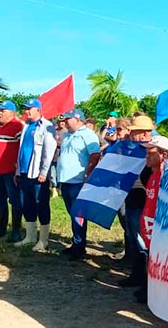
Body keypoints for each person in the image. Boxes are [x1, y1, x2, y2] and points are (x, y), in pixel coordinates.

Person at [57, 109, 102, 260]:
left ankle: (80, 246)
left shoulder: (87, 134)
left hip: (78, 182)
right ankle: (76, 242)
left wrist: (88, 172)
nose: (65, 121)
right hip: (66, 180)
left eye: (68, 119)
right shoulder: (68, 135)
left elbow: (95, 154)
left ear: (77, 119)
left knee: (79, 215)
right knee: (72, 213)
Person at [133, 135, 168, 304]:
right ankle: (150, 289)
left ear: (163, 154)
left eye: (151, 151)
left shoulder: (166, 175)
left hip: (159, 228)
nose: (147, 155)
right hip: (149, 227)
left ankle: (157, 294)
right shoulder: (153, 173)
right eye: (146, 151)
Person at [118, 115, 155, 288]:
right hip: (132, 197)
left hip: (144, 200)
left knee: (143, 241)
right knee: (134, 238)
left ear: (144, 133)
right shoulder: (133, 149)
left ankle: (146, 281)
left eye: (134, 132)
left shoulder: (153, 149)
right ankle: (137, 275)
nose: (131, 135)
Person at [14, 98, 56, 251]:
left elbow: (49, 150)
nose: (26, 111)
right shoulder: (26, 127)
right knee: (27, 204)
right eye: (25, 108)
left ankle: (43, 240)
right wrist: (18, 171)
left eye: (29, 108)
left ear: (38, 110)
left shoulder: (46, 126)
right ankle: (30, 236)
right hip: (25, 171)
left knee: (41, 204)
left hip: (38, 173)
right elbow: (21, 150)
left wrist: (44, 171)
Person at [0, 101, 24, 241]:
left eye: (3, 110)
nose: (0, 113)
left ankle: (16, 230)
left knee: (14, 201)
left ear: (12, 112)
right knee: (0, 200)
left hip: (10, 171)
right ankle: (1, 229)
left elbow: (21, 150)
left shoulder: (17, 126)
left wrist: (18, 170)